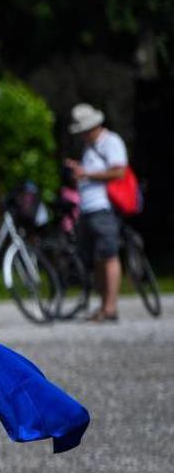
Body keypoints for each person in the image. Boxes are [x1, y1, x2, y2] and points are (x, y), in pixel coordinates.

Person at [65, 103, 130, 322]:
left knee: (108, 255)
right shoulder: (89, 147)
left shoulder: (111, 142)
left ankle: (110, 308)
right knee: (97, 259)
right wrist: (79, 172)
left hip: (104, 207)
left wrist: (87, 174)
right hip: (87, 208)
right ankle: (103, 305)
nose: (82, 135)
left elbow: (119, 171)